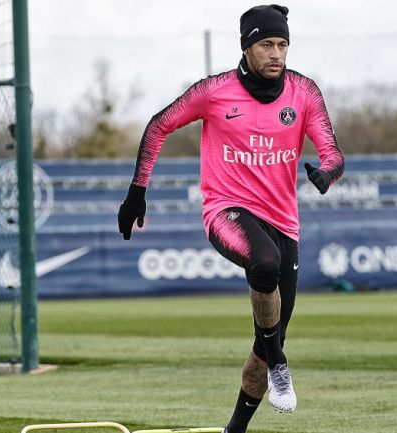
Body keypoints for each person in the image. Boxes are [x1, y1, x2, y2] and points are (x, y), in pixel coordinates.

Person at [117, 4, 344, 433]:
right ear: (246, 47)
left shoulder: (304, 92)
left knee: (265, 337)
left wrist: (326, 173)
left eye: (283, 44)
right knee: (263, 264)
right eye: (266, 44)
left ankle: (235, 428)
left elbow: (334, 153)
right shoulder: (214, 91)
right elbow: (158, 124)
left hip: (284, 224)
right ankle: (280, 362)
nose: (276, 54)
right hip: (226, 211)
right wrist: (136, 191)